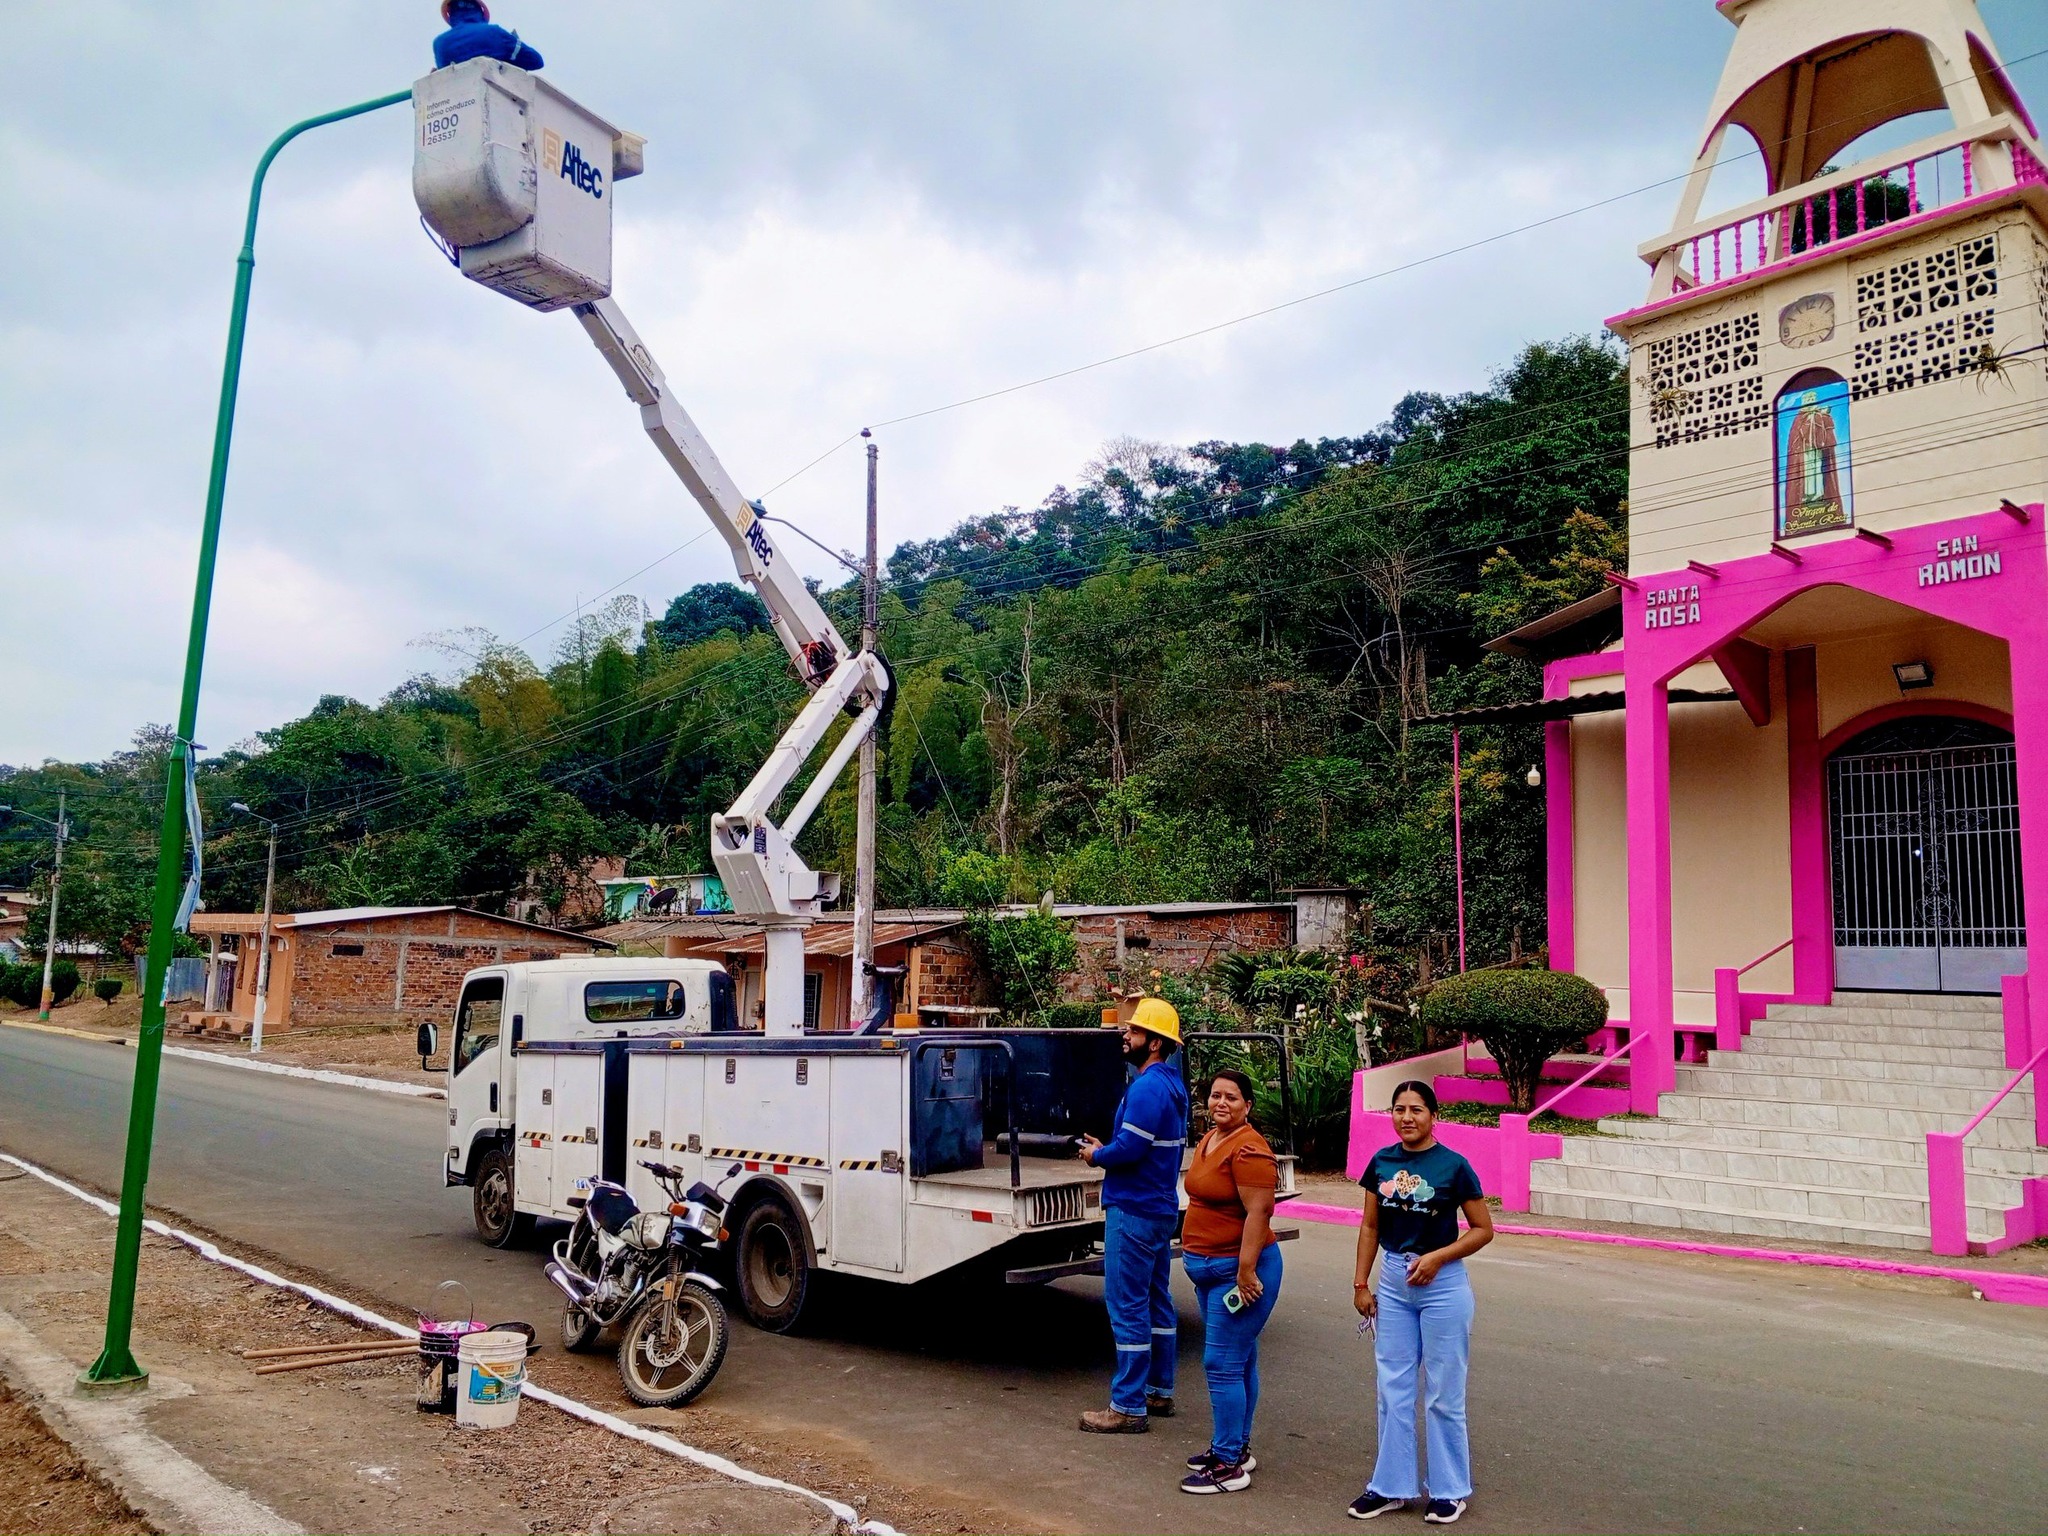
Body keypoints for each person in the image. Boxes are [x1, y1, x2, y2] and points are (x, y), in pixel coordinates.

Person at [1348, 1080, 1493, 1525]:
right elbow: (1370, 1227)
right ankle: (1390, 1486)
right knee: (1392, 1388)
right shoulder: (1382, 1162)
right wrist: (1361, 1284)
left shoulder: (1454, 1166)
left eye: (1416, 1109)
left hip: (1442, 1285)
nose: (1406, 1117)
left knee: (1444, 1392)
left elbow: (1482, 1229)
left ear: (1433, 1115)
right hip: (1394, 1282)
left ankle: (1449, 1490)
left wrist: (1438, 1258)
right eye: (1399, 1109)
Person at [1076, 997, 1188, 1434]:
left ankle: (1127, 1405)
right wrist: (1111, 1147)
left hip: (1133, 1208)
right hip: (1159, 1208)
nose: (1126, 1035)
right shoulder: (1172, 1084)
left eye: (1135, 1031)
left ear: (1155, 1043)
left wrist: (1097, 1154)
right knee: (1156, 1300)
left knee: (1127, 1306)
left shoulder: (1146, 1088)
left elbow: (1131, 1149)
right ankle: (1158, 1390)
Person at [1177, 1067, 1283, 1494]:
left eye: (1232, 1097)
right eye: (1216, 1095)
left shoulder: (1250, 1149)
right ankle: (1235, 1448)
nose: (1221, 1103)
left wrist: (1245, 1269)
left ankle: (1226, 1466)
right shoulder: (1212, 1138)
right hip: (1209, 1271)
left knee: (1221, 1364)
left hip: (1238, 1274)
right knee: (1239, 1360)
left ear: (1248, 1106)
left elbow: (1260, 1212)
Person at [433, 0, 545, 70]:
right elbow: (536, 61)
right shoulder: (494, 32)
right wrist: (510, 51)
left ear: (450, 14)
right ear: (480, 11)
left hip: (457, 99)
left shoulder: (439, 43)